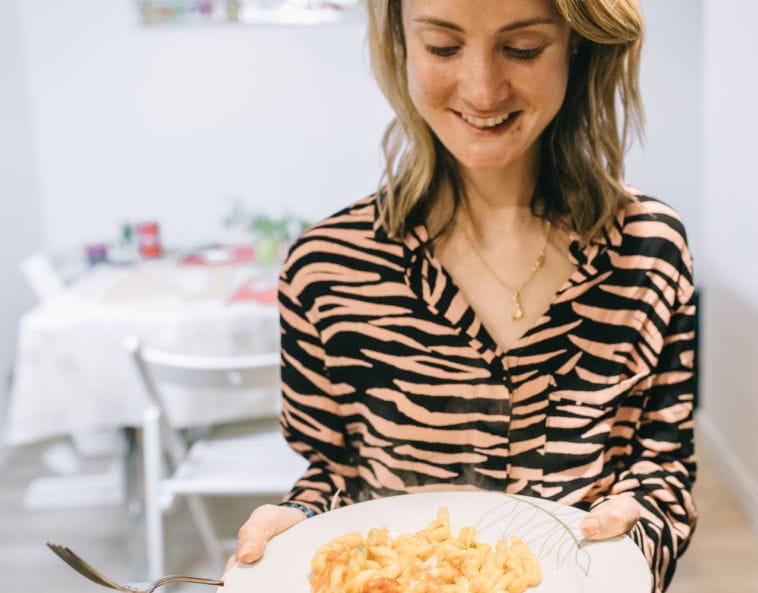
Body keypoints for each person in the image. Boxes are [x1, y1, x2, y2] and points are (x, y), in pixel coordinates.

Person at [224, 0, 697, 591]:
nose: (481, 89)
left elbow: (661, 469)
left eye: (522, 49)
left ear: (577, 43)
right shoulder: (327, 268)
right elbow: (334, 476)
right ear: (400, 44)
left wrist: (636, 536)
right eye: (443, 47)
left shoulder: (649, 248)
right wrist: (295, 525)